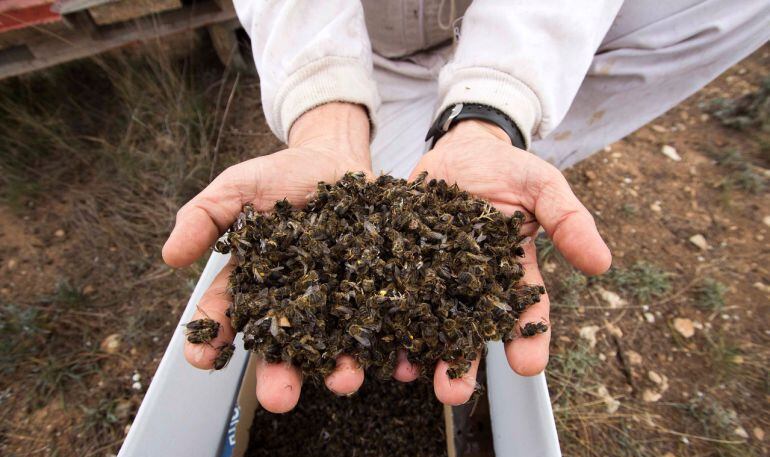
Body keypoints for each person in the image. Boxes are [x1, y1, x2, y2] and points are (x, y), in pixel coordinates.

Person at [162, 1, 770, 413]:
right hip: (368, 34)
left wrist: (495, 107)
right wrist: (325, 112)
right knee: (375, 172)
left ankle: (496, 129)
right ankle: (402, 110)